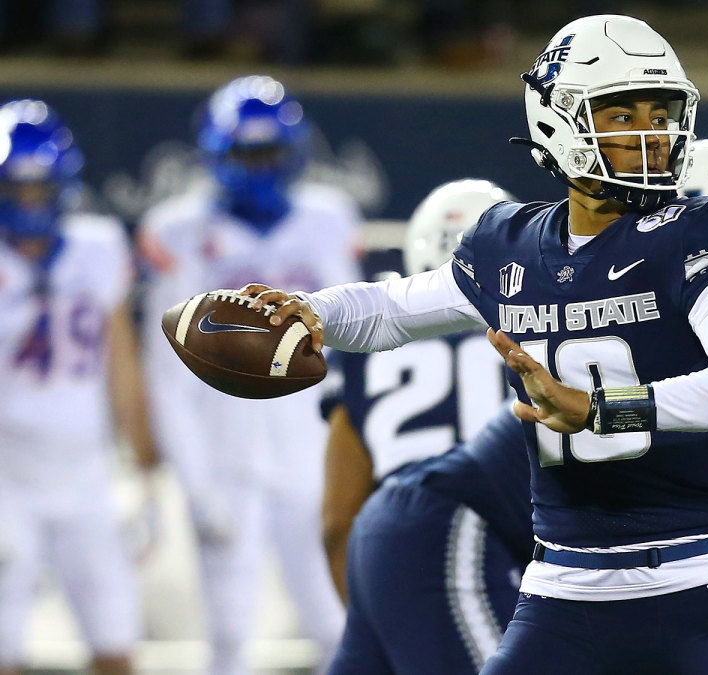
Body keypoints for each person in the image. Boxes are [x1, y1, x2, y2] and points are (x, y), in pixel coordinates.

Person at [246, 14, 708, 674]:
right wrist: (313, 312)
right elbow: (393, 309)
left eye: (660, 114)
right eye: (622, 113)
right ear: (559, 120)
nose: (653, 134)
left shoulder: (695, 231)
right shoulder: (507, 245)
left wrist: (603, 410)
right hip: (565, 596)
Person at [139, 75, 357, 675]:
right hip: (225, 456)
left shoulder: (328, 218)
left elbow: (355, 349)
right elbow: (165, 373)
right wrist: (194, 482)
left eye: (270, 153)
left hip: (311, 451)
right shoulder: (180, 230)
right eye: (246, 154)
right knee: (231, 636)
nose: (260, 168)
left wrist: (351, 456)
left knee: (336, 626)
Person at [321, 179, 523, 673]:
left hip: (381, 542)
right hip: (471, 535)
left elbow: (337, 521)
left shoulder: (365, 345)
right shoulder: (535, 328)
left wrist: (393, 609)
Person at [0, 100, 158, 675]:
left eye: (39, 188)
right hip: (6, 475)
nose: (29, 201)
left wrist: (146, 466)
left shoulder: (98, 245)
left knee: (115, 642)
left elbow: (121, 359)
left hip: (86, 473)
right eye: (17, 188)